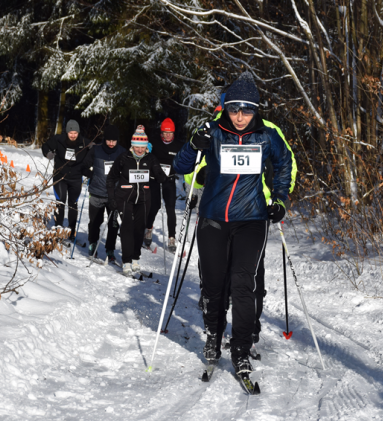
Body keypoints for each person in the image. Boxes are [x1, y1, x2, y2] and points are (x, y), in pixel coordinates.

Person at [171, 71, 295, 377]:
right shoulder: (212, 132)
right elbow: (181, 166)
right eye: (235, 109)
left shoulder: (267, 135)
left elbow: (284, 165)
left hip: (251, 219)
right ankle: (213, 337)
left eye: (247, 110)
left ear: (256, 109)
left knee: (243, 284)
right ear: (226, 107)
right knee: (213, 286)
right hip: (213, 218)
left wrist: (279, 199)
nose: (240, 116)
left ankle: (240, 349)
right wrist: (192, 144)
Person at [107, 125, 169, 276]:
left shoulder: (150, 159)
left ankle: (135, 257)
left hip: (143, 199)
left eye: (142, 147)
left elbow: (161, 177)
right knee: (127, 227)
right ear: (132, 145)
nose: (140, 150)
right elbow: (111, 178)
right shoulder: (123, 158)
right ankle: (126, 261)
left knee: (139, 229)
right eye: (137, 146)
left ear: (146, 146)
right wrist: (111, 197)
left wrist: (160, 172)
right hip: (124, 197)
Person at [41, 119, 92, 244]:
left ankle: (71, 232)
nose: (73, 135)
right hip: (60, 177)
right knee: (61, 203)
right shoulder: (59, 139)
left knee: (73, 205)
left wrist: (93, 150)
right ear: (67, 132)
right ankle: (58, 231)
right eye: (71, 133)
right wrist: (48, 153)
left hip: (76, 178)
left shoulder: (84, 142)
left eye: (75, 133)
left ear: (78, 132)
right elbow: (45, 146)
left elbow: (96, 151)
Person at [86, 125, 125, 262]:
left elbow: (127, 171)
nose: (111, 143)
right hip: (96, 192)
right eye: (109, 140)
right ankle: (93, 244)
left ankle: (110, 249)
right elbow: (85, 165)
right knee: (95, 222)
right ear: (105, 139)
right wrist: (91, 173)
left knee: (113, 224)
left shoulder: (122, 152)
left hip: (114, 195)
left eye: (114, 141)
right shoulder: (96, 150)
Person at [145, 118, 183, 253]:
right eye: (165, 133)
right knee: (154, 205)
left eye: (170, 133)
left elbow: (183, 160)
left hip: (169, 180)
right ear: (161, 133)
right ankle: (148, 229)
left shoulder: (178, 145)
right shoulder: (154, 142)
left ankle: (171, 237)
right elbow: (145, 154)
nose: (168, 135)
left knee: (170, 208)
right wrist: (146, 150)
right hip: (154, 179)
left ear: (173, 133)